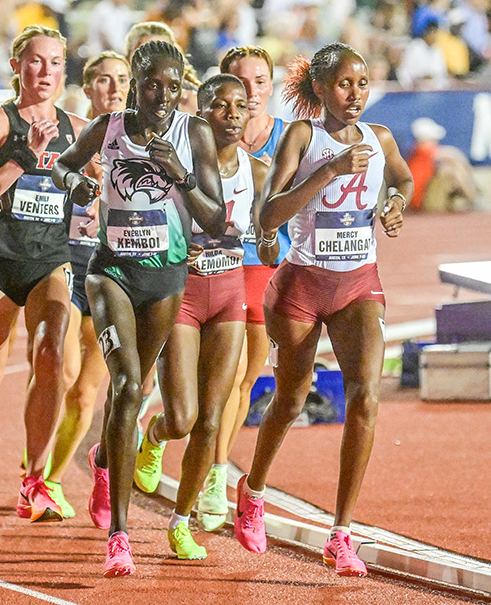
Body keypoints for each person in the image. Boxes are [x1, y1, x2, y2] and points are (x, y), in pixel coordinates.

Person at [232, 42, 413, 579]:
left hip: (359, 283)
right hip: (302, 284)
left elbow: (400, 179)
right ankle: (254, 490)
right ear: (318, 88)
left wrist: (394, 204)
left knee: (366, 399)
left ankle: (341, 534)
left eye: (361, 84)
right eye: (341, 84)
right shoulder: (301, 136)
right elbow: (268, 216)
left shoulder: (380, 139)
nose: (353, 95)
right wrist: (328, 172)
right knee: (289, 399)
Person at [51, 40, 225, 577]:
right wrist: (76, 182)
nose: (163, 97)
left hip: (167, 278)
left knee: (138, 385)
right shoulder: (108, 128)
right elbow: (62, 166)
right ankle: (120, 534)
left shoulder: (193, 133)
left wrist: (182, 175)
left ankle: (110, 453)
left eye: (174, 88)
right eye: (153, 84)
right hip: (111, 274)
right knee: (126, 386)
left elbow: (215, 219)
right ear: (134, 82)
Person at [0, 26, 88, 524]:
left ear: (64, 72)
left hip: (52, 258)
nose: (44, 71)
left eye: (54, 62)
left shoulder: (77, 127)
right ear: (16, 67)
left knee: (50, 356)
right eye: (34, 61)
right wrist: (21, 160)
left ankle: (35, 480)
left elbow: (104, 191)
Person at [135, 73, 275, 560]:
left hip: (229, 290)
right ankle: (154, 434)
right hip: (181, 293)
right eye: (221, 106)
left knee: (212, 420)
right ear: (203, 113)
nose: (233, 115)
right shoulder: (175, 160)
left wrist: (272, 240)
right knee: (182, 417)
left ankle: (180, 521)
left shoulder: (258, 172)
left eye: (240, 106)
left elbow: (269, 234)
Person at [200, 46, 291, 532]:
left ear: (271, 85)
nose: (251, 91)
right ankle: (195, 457)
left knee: (244, 378)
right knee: (217, 378)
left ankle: (216, 472)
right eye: (241, 81)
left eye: (260, 80)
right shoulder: (204, 136)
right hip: (216, 265)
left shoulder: (287, 137)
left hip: (268, 268)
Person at [46, 51, 131, 517]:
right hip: (65, 263)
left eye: (122, 79)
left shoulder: (137, 138)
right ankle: (39, 472)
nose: (114, 88)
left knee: (86, 392)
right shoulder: (71, 135)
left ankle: (56, 476)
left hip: (113, 272)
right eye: (103, 80)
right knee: (62, 372)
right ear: (86, 87)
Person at [405, 117, 479, 212]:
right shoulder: (422, 149)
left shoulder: (419, 151)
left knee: (451, 168)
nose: (436, 141)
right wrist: (466, 168)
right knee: (450, 170)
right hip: (420, 199)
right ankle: (474, 198)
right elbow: (452, 155)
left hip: (422, 195)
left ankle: (472, 197)